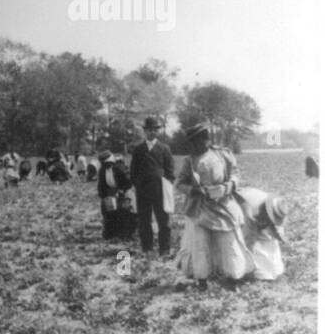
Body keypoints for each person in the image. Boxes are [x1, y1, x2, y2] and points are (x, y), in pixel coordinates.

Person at [174, 123, 252, 287]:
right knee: (200, 245)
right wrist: (194, 191)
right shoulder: (189, 161)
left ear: (207, 140)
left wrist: (227, 187)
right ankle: (202, 279)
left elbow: (236, 174)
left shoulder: (223, 155)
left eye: (198, 141)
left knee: (228, 243)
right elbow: (179, 183)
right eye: (192, 143)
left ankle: (234, 278)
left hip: (224, 205)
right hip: (201, 208)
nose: (195, 146)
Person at [130, 117, 175, 257]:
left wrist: (165, 184)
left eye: (154, 130)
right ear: (145, 131)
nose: (152, 132)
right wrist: (138, 184)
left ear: (157, 131)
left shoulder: (164, 149)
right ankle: (147, 248)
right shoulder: (138, 149)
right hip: (143, 190)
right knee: (144, 221)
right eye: (149, 130)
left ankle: (164, 249)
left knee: (163, 221)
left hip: (159, 190)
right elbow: (133, 171)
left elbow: (170, 171)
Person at [237, 187, 288, 281]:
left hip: (253, 208)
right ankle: (258, 273)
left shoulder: (276, 204)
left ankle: (274, 271)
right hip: (239, 209)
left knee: (270, 243)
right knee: (256, 249)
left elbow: (278, 231)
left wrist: (280, 238)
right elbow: (248, 239)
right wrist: (248, 262)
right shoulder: (251, 214)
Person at [97, 151, 135, 240]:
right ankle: (111, 233)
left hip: (124, 191)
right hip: (110, 192)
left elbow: (128, 182)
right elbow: (101, 185)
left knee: (124, 211)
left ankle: (125, 234)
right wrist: (104, 196)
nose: (106, 166)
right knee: (109, 211)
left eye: (107, 164)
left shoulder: (120, 168)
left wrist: (120, 191)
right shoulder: (102, 170)